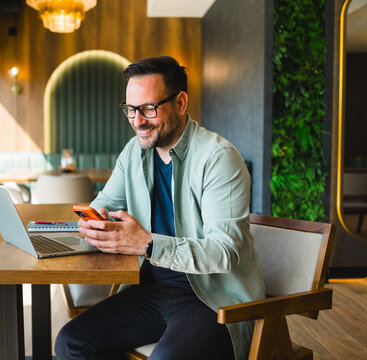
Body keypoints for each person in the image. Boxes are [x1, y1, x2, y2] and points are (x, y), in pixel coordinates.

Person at [55, 56, 265, 360]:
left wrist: (148, 245)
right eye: (130, 109)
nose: (138, 120)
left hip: (212, 299)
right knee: (71, 342)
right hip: (151, 290)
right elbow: (104, 203)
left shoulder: (219, 158)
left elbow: (225, 253)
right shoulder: (134, 152)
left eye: (148, 109)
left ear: (180, 103)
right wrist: (95, 222)